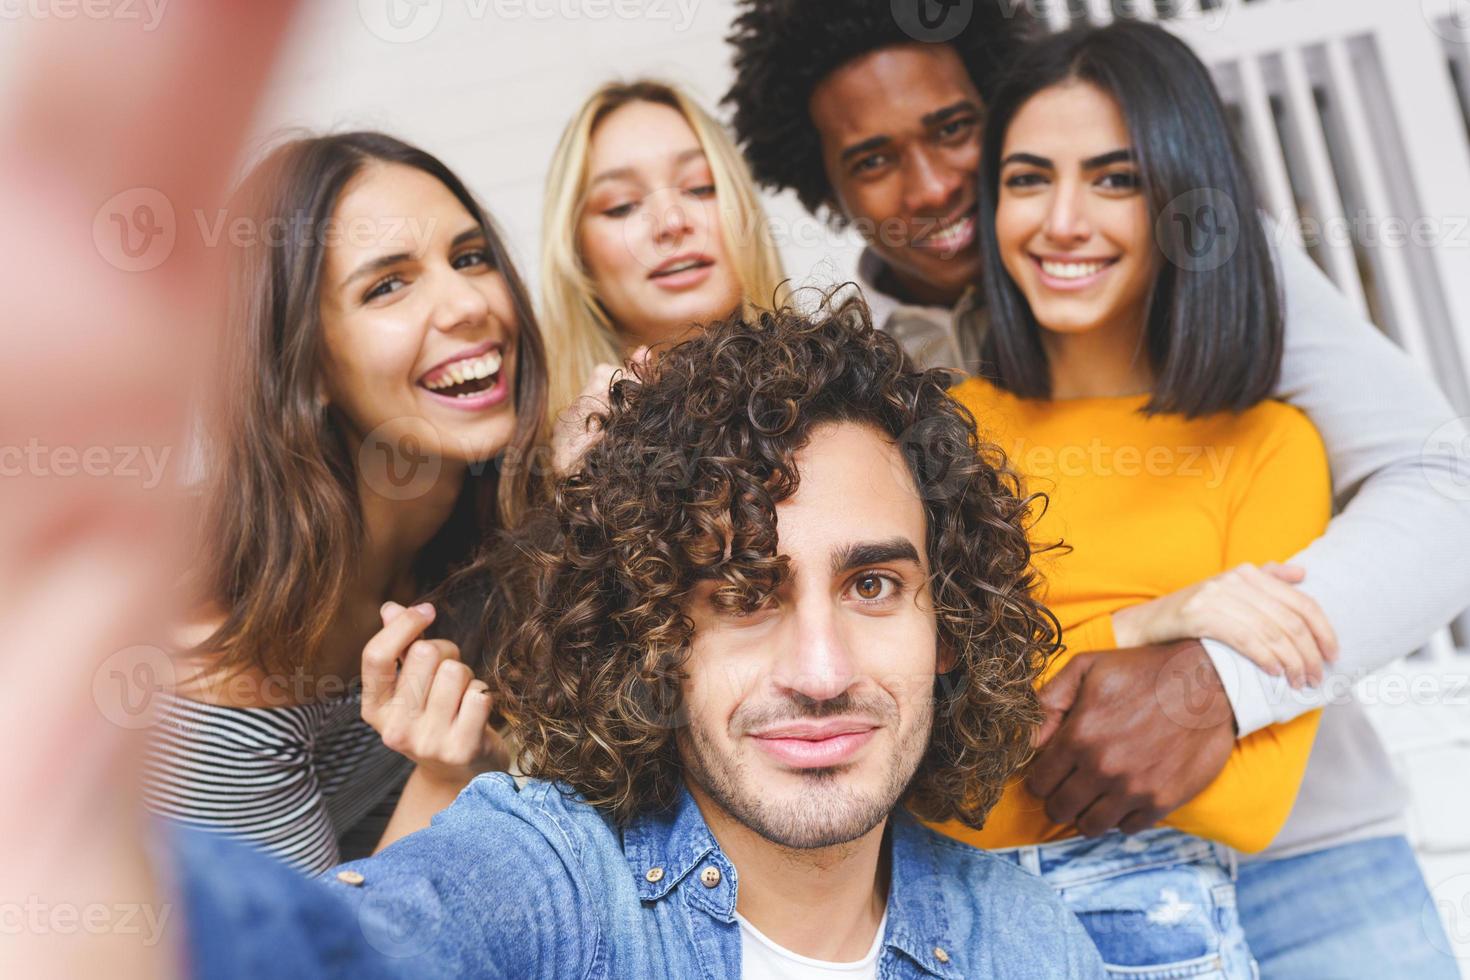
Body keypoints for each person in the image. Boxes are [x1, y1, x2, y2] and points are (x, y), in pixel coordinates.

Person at [724, 5, 1470, 975]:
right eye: (872, 160)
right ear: (826, 191)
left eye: (957, 129)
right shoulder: (856, 373)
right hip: (1034, 886)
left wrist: (1219, 679)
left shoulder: (1198, 265)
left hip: (1307, 857)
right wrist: (1150, 626)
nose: (934, 183)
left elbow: (1442, 486)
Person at [160, 296, 1106, 978]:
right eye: (743, 595)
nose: (821, 672)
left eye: (872, 585)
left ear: (946, 626)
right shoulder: (549, 882)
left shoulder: (1032, 945)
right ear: (656, 633)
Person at [934, 23, 1330, 976]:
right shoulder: (942, 428)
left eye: (1116, 179)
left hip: (1151, 929)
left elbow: (1251, 802)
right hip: (928, 917)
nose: (1062, 221)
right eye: (1028, 179)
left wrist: (1051, 673)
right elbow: (933, 738)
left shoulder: (1269, 448)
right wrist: (1160, 625)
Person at [141, 132, 549, 872]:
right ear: (305, 366)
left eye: (469, 257)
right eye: (387, 285)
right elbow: (318, 957)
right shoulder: (214, 686)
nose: (467, 304)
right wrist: (448, 778)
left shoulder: (490, 525)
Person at [540, 79, 786, 470]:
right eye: (622, 206)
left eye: (700, 188)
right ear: (577, 255)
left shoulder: (851, 400)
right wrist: (579, 490)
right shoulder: (528, 458)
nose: (671, 222)